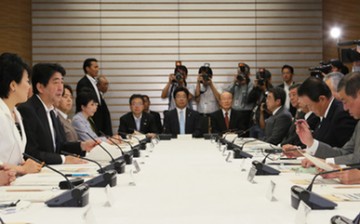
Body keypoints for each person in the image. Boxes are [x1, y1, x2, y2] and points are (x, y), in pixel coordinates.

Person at [18, 63, 98, 165]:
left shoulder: (52, 111)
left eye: (62, 82)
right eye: (56, 82)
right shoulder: (27, 110)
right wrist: (63, 160)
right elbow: (31, 153)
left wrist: (82, 146)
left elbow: (60, 146)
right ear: (40, 87)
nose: (61, 88)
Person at [286, 72, 360, 165]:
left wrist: (325, 162)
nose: (345, 107)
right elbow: (343, 152)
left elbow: (357, 158)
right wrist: (310, 145)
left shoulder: (341, 114)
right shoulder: (357, 123)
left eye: (345, 101)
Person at [0, 52, 42, 174]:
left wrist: (24, 163)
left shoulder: (16, 113)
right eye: (27, 81)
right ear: (13, 85)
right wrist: (22, 169)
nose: (29, 87)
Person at [296, 77, 356, 148]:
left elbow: (346, 152)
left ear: (322, 99)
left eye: (310, 105)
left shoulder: (341, 114)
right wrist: (300, 151)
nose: (310, 110)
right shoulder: (325, 113)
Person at [76, 58, 113, 136]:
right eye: (95, 67)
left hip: (100, 120)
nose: (97, 69)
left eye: (98, 67)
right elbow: (83, 101)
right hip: (93, 120)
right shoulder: (83, 83)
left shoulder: (94, 82)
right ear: (87, 69)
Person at [225, 62, 254, 127]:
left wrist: (246, 84)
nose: (241, 75)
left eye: (243, 73)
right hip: (235, 112)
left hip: (246, 113)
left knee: (244, 135)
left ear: (248, 74)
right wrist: (234, 81)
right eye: (239, 73)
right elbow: (227, 92)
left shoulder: (251, 84)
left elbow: (250, 98)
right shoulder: (236, 82)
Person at [195, 64, 221, 133]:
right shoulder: (198, 87)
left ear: (211, 76)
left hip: (214, 116)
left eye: (206, 75)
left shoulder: (217, 86)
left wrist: (211, 84)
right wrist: (198, 82)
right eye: (203, 75)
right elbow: (197, 99)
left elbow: (219, 99)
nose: (205, 77)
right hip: (201, 116)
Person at [247, 68, 273, 138]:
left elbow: (271, 102)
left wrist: (265, 90)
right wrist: (254, 88)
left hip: (263, 124)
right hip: (253, 123)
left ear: (269, 80)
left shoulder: (272, 91)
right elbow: (248, 100)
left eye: (263, 80)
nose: (262, 82)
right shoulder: (257, 90)